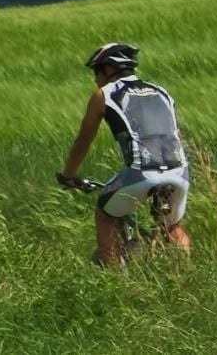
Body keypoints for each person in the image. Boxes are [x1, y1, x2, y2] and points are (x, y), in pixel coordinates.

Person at [56, 43, 193, 267]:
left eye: (96, 71)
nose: (95, 79)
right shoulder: (161, 91)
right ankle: (186, 272)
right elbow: (174, 133)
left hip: (142, 173)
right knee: (172, 226)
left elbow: (84, 140)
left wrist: (69, 174)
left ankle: (115, 279)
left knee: (104, 213)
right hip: (179, 170)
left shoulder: (104, 95)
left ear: (108, 69)